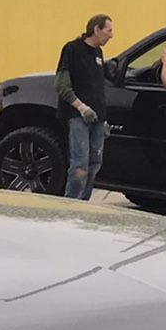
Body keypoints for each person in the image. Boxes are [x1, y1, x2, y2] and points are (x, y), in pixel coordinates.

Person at [56, 14, 114, 200]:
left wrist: (103, 119)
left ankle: (84, 203)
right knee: (80, 163)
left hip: (97, 118)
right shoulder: (72, 49)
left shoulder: (98, 53)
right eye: (109, 30)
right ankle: (71, 203)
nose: (111, 35)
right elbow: (61, 86)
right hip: (77, 116)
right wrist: (81, 108)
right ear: (96, 29)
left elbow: (97, 87)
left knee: (95, 163)